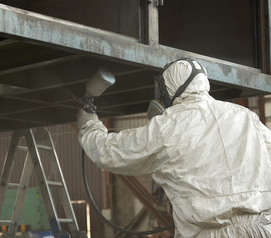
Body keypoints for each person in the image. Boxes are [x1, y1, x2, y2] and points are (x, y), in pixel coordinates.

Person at [76, 58, 271, 237]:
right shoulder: (245, 116)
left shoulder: (168, 126)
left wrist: (89, 125)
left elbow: (110, 152)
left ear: (170, 88)